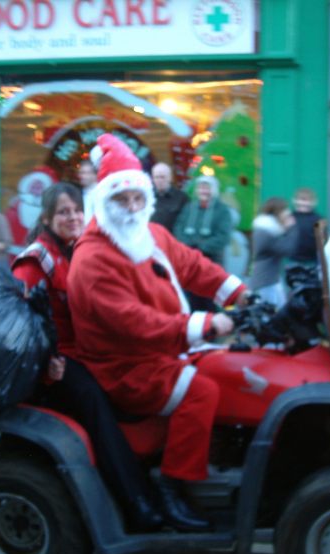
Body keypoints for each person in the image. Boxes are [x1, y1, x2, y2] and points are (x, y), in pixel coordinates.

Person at [69, 134, 247, 532]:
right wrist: (203, 324)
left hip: (164, 352)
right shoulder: (93, 258)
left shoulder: (149, 236)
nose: (132, 208)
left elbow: (194, 265)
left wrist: (240, 294)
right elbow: (133, 323)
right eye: (122, 200)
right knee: (202, 391)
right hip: (126, 366)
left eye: (137, 198)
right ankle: (173, 487)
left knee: (236, 369)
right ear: (104, 201)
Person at [12, 182, 163, 532]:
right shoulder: (38, 258)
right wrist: (47, 361)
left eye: (78, 210)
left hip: (89, 352)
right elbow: (20, 316)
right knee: (93, 400)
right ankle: (136, 501)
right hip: (58, 362)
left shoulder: (78, 250)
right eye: (64, 212)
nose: (74, 217)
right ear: (48, 217)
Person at [173, 174, 233, 266]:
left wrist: (201, 247)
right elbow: (178, 228)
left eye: (207, 188)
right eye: (201, 188)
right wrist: (187, 245)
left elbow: (224, 236)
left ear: (214, 190)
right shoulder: (189, 208)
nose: (203, 191)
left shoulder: (222, 210)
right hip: (189, 258)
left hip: (212, 260)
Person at [250, 197, 298, 306]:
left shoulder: (267, 230)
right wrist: (291, 228)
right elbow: (287, 249)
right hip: (266, 281)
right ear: (277, 212)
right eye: (284, 210)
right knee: (271, 314)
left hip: (268, 279)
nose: (287, 213)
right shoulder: (266, 232)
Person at [150, 162, 189, 232]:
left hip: (172, 239)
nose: (159, 180)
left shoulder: (181, 198)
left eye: (162, 177)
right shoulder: (147, 196)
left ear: (170, 178)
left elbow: (186, 222)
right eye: (156, 177)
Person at [289, 187, 322, 265]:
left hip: (312, 260)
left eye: (307, 200)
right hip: (292, 259)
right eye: (300, 200)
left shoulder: (318, 219)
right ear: (294, 200)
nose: (303, 203)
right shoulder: (290, 217)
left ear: (314, 202)